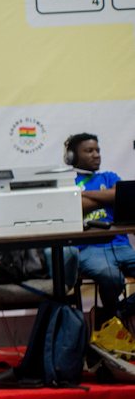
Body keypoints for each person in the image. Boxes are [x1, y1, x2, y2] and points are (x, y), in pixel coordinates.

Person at [64, 132, 135, 325]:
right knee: (111, 277)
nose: (96, 155)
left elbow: (119, 195)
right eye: (89, 151)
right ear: (72, 156)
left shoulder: (109, 176)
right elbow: (74, 206)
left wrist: (84, 195)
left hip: (121, 245)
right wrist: (106, 196)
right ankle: (114, 318)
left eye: (97, 150)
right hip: (88, 249)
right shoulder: (67, 182)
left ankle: (119, 312)